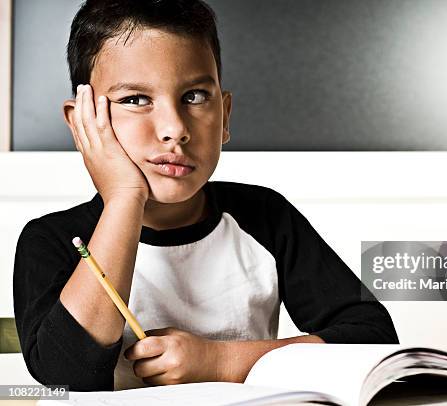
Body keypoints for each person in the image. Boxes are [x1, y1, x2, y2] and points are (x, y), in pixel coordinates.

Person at [12, 0, 398, 392]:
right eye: (135, 99)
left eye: (194, 96)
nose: (174, 128)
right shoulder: (51, 239)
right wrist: (125, 198)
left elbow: (373, 338)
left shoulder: (265, 217)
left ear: (225, 116)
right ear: (82, 121)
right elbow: (66, 374)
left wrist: (221, 360)